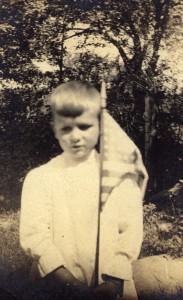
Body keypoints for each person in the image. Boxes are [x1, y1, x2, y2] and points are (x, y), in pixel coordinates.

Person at [20, 81, 147, 300]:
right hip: (56, 284)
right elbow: (35, 236)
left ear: (100, 125)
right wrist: (68, 283)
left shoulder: (118, 175)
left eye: (85, 126)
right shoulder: (40, 177)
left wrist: (115, 281)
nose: (76, 136)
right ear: (55, 130)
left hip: (110, 287)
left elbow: (130, 232)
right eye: (66, 128)